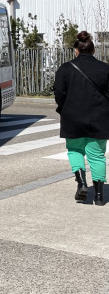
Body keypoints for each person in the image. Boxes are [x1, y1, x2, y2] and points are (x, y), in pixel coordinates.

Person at [54, 30, 109, 206]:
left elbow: (59, 94)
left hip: (72, 117)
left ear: (76, 51)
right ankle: (99, 196)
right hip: (99, 118)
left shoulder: (66, 68)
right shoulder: (105, 68)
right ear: (94, 50)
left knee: (75, 150)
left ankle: (82, 183)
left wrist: (64, 109)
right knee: (97, 156)